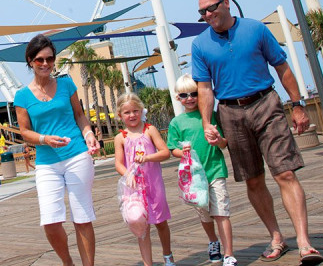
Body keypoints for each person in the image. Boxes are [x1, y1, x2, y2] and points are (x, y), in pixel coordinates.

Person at [192, 0, 323, 265]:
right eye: (202, 11)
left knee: (285, 172)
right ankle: (276, 236)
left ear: (226, 3)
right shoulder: (200, 44)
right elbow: (204, 88)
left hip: (266, 104)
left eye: (211, 8)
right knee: (253, 179)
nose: (207, 14)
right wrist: (207, 122)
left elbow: (282, 67)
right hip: (229, 112)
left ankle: (304, 243)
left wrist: (298, 105)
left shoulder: (256, 30)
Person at [15, 34, 101, 266]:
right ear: (30, 61)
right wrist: (44, 139)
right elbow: (25, 131)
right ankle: (67, 262)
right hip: (46, 163)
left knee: (82, 218)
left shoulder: (66, 84)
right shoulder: (22, 96)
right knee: (51, 222)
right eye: (40, 59)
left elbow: (80, 115)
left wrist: (89, 134)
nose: (46, 64)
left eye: (50, 59)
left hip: (77, 156)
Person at [168, 75, 236, 266]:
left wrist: (219, 140)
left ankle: (229, 253)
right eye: (184, 95)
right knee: (204, 213)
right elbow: (172, 148)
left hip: (215, 169)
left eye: (194, 94)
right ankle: (213, 241)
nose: (189, 98)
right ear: (177, 97)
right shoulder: (176, 123)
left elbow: (224, 143)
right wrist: (183, 153)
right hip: (194, 177)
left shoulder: (211, 116)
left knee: (221, 211)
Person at [113, 93, 175, 266]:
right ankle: (148, 263)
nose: (132, 115)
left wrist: (148, 158)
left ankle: (167, 256)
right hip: (134, 189)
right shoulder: (121, 137)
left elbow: (165, 152)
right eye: (127, 112)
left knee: (161, 222)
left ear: (141, 111)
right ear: (120, 115)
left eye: (135, 111)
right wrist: (128, 174)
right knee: (141, 226)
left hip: (154, 185)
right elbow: (118, 163)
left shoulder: (150, 130)